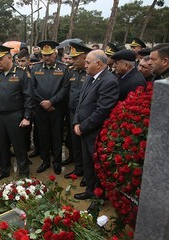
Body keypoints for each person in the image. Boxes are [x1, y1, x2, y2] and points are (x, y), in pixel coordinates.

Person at [73, 50, 119, 200]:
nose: (85, 65)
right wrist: (76, 122)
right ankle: (90, 191)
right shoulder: (90, 76)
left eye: (87, 62)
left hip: (95, 133)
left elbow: (102, 111)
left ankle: (98, 198)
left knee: (97, 167)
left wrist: (82, 127)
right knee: (87, 165)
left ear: (98, 64)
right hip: (84, 130)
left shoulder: (109, 81)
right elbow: (80, 102)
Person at [0, 44, 34, 182]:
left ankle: (24, 174)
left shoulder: (21, 73)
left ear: (9, 58)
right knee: (1, 145)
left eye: (0, 59)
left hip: (16, 115)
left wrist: (27, 116)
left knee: (19, 146)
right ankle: (4, 170)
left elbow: (28, 97)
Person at [31, 40, 70, 175]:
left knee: (57, 136)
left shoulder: (64, 68)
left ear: (55, 53)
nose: (47, 58)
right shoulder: (35, 68)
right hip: (41, 109)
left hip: (57, 109)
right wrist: (43, 102)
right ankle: (45, 160)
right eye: (44, 55)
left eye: (49, 55)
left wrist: (51, 102)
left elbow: (65, 89)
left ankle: (57, 162)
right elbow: (33, 88)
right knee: (43, 136)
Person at [63, 41, 92, 187]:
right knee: (74, 142)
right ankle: (78, 168)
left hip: (84, 116)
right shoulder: (72, 71)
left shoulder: (90, 74)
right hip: (72, 112)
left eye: (75, 58)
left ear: (84, 57)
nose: (72, 61)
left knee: (85, 146)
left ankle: (87, 174)